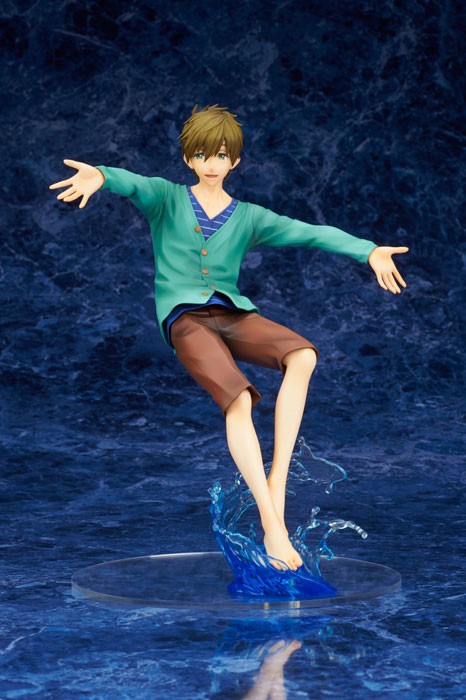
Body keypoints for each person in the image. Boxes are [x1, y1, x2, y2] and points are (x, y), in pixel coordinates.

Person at [50, 105, 408, 571]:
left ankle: (277, 479)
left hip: (232, 313)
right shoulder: (167, 198)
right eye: (202, 154)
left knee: (302, 354)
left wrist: (368, 251)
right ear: (189, 159)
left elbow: (310, 233)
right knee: (238, 398)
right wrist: (100, 175)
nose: (212, 163)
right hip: (184, 318)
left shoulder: (249, 217)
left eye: (220, 155)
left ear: (234, 160)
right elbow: (131, 182)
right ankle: (272, 525)